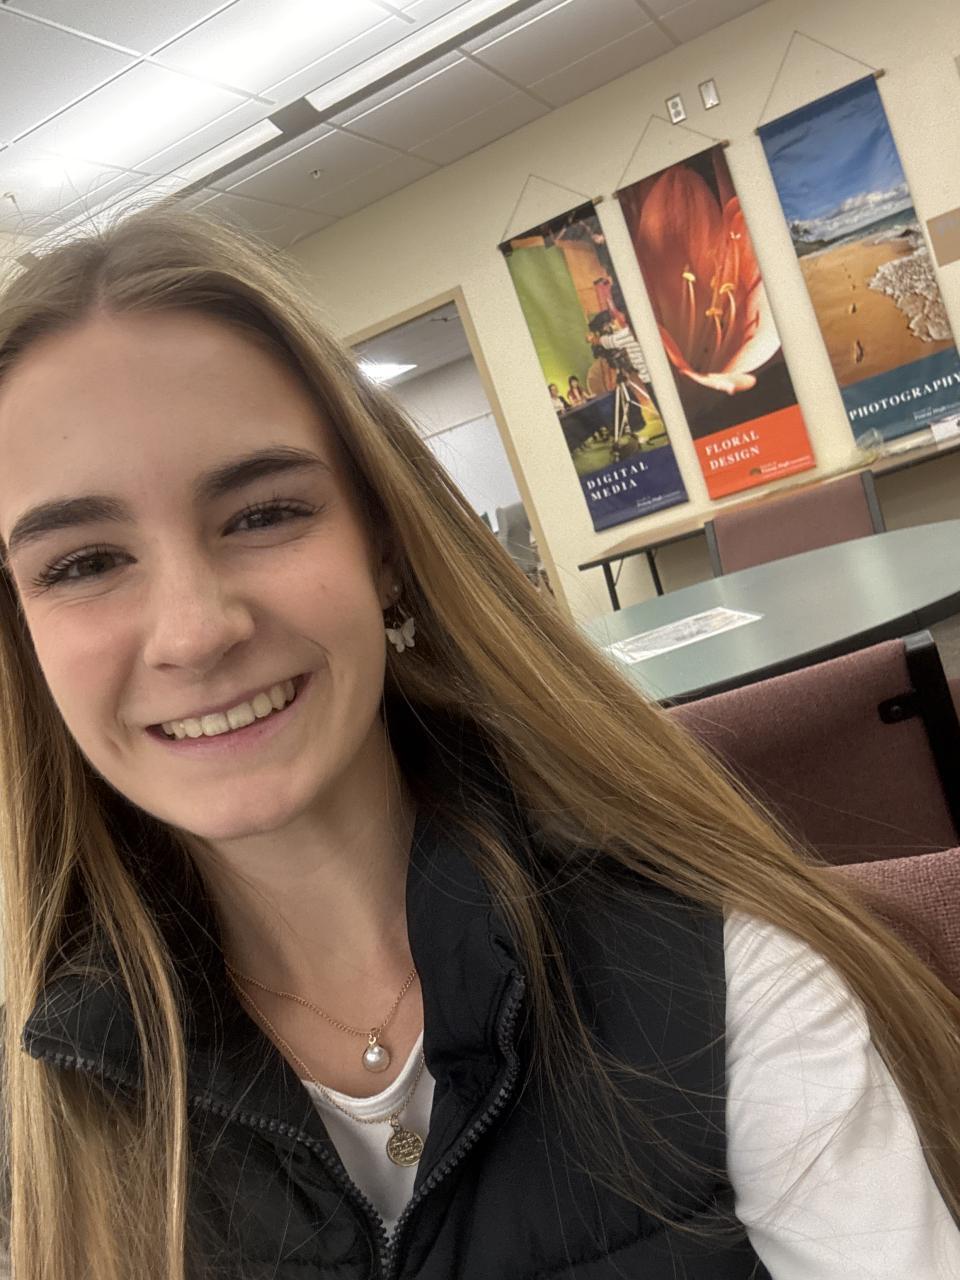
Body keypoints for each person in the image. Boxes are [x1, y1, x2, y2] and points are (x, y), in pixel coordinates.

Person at [0, 210, 958, 1280]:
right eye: (82, 564)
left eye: (263, 513)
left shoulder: (726, 983)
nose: (194, 631)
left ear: (385, 546)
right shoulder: (37, 1128)